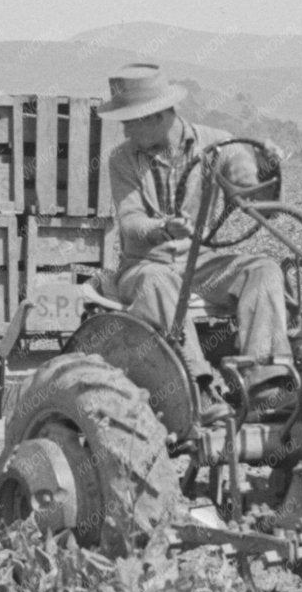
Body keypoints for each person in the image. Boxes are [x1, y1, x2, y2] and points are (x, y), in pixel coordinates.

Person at [101, 64, 292, 397]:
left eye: (129, 121)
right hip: (146, 265)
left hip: (199, 263)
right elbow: (130, 222)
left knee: (263, 270)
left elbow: (255, 198)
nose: (125, 131)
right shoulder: (122, 159)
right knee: (158, 282)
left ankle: (263, 381)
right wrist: (163, 228)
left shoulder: (218, 144)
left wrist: (266, 170)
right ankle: (197, 388)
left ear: (156, 116)